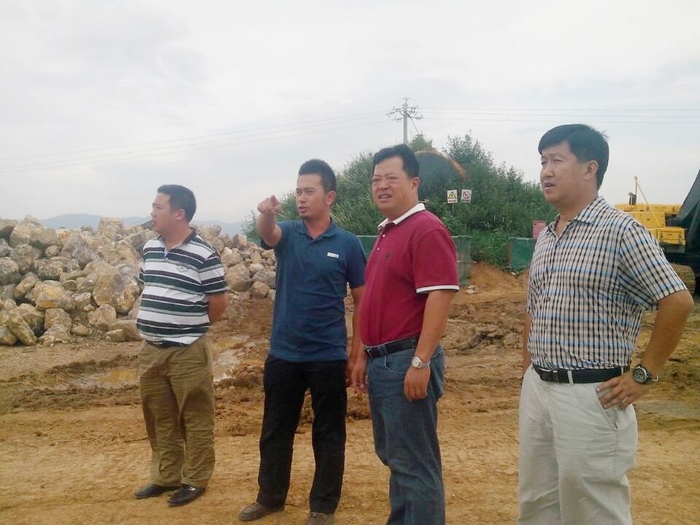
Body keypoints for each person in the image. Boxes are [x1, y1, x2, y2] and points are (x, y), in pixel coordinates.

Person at [519, 124, 694, 524]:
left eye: (556, 160)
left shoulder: (622, 232)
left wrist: (645, 373)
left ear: (589, 168)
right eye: (543, 161)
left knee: (593, 508)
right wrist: (528, 372)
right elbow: (534, 308)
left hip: (592, 395)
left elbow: (677, 300)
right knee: (536, 503)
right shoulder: (547, 237)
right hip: (539, 390)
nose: (546, 171)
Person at [238, 159, 366, 525]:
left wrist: (357, 354)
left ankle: (323, 506)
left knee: (329, 433)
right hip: (284, 354)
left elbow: (363, 301)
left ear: (330, 196)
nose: (301, 198)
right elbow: (268, 233)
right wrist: (266, 214)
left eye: (309, 191)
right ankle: (270, 498)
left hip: (328, 355)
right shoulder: (289, 234)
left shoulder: (348, 244)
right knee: (275, 430)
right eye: (298, 191)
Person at [350, 144, 459, 525]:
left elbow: (440, 297)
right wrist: (362, 354)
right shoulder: (389, 231)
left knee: (415, 465)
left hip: (405, 360)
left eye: (390, 178)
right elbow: (377, 301)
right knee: (397, 458)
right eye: (376, 179)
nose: (381, 185)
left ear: (413, 183)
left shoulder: (426, 229)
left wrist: (420, 361)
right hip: (384, 361)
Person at [134, 184, 228, 507]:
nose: (152, 213)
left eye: (158, 207)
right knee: (159, 416)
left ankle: (195, 479)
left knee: (196, 416)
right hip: (151, 349)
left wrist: (189, 328)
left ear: (179, 213)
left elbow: (218, 304)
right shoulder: (149, 248)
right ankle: (166, 476)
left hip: (188, 351)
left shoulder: (204, 254)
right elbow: (150, 287)